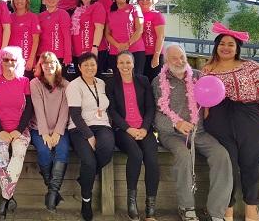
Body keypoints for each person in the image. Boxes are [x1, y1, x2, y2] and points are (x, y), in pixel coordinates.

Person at [202, 23, 259, 221]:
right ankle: (227, 207)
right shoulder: (207, 69)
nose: (226, 47)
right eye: (222, 44)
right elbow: (203, 95)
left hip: (251, 118)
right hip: (220, 120)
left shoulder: (251, 66)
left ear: (237, 48)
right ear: (216, 46)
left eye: (230, 44)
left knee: (251, 163)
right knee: (229, 163)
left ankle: (251, 207)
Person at [152, 44, 232, 221]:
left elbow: (213, 91)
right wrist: (176, 124)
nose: (180, 61)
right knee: (183, 155)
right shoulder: (158, 82)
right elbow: (156, 113)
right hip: (171, 134)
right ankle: (186, 207)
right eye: (174, 58)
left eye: (182, 57)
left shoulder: (198, 76)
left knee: (222, 155)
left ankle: (216, 212)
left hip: (199, 132)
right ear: (166, 61)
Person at [106, 51, 158, 221]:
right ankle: (132, 202)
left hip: (144, 128)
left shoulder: (143, 81)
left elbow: (151, 107)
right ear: (117, 65)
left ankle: (151, 206)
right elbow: (112, 111)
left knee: (151, 158)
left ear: (133, 64)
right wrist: (128, 128)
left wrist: (144, 128)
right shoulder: (112, 83)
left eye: (128, 62)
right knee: (136, 154)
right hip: (123, 131)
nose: (125, 66)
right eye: (121, 63)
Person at [65, 52, 114, 221]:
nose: (89, 68)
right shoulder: (74, 85)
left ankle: (85, 177)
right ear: (79, 67)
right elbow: (75, 115)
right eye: (85, 65)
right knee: (89, 161)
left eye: (92, 64)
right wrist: (89, 136)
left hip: (102, 125)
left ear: (97, 66)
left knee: (107, 151)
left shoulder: (101, 83)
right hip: (79, 128)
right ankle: (86, 200)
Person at [0, 46, 33, 219]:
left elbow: (28, 108)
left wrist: (18, 130)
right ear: (1, 61)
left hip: (20, 129)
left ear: (18, 62)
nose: (9, 63)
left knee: (19, 153)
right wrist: (0, 130)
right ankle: (8, 197)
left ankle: (4, 198)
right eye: (5, 59)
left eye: (13, 59)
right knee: (1, 156)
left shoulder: (24, 81)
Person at [29, 52, 69, 212]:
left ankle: (51, 194)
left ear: (57, 64)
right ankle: (53, 192)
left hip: (60, 129)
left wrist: (58, 133)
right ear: (40, 66)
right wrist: (45, 133)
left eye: (52, 62)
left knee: (63, 151)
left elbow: (65, 111)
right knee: (44, 151)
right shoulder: (35, 84)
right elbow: (38, 109)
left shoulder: (66, 85)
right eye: (45, 63)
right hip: (39, 128)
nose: (49, 65)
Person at [105, 0, 145, 74]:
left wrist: (128, 44)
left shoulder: (134, 8)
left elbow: (139, 29)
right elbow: (107, 34)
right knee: (119, 81)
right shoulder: (109, 12)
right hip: (115, 52)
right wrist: (118, 45)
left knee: (136, 79)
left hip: (135, 50)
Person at [70, 0, 105, 75]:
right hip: (77, 52)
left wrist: (95, 47)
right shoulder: (76, 9)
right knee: (80, 81)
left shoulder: (97, 6)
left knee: (94, 80)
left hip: (93, 50)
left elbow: (99, 28)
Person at [37, 0, 72, 69]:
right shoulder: (40, 16)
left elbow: (67, 36)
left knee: (58, 81)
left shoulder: (63, 14)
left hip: (58, 57)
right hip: (43, 56)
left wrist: (68, 56)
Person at [9, 0, 41, 78]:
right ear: (13, 1)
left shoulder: (33, 17)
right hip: (12, 60)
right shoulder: (9, 17)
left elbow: (36, 40)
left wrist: (31, 59)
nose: (19, 1)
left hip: (27, 60)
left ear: (26, 1)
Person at [136, 0, 165, 82]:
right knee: (141, 81)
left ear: (153, 0)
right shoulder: (134, 15)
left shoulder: (156, 15)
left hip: (154, 54)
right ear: (137, 0)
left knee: (154, 82)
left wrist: (156, 56)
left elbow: (161, 36)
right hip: (139, 54)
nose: (145, 0)